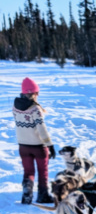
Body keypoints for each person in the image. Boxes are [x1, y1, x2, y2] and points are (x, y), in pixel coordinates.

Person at [12, 76, 55, 204]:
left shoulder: (15, 106)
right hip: (38, 147)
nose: (38, 95)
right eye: (37, 93)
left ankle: (27, 194)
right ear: (33, 93)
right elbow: (41, 128)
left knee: (28, 171)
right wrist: (50, 145)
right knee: (43, 172)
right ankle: (43, 195)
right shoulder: (35, 109)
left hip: (23, 146)